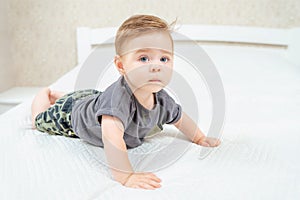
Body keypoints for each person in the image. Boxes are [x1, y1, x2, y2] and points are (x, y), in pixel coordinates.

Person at [31, 14, 221, 190]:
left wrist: (199, 138)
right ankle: (47, 93)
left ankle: (64, 95)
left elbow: (180, 119)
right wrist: (126, 176)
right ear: (121, 66)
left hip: (94, 98)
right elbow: (112, 138)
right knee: (40, 121)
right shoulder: (117, 101)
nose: (156, 66)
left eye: (164, 58)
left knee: (89, 98)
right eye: (144, 58)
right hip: (71, 116)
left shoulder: (162, 99)